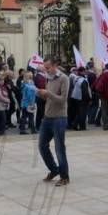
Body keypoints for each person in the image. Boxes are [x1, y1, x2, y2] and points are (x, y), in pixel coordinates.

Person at [37, 56, 70, 187]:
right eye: (45, 68)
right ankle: (54, 170)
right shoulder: (48, 78)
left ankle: (64, 176)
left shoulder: (64, 78)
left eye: (48, 67)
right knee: (42, 146)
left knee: (59, 148)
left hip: (59, 118)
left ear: (55, 65)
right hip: (47, 116)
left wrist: (48, 94)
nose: (46, 70)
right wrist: (41, 94)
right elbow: (50, 98)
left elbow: (63, 99)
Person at [71, 67, 91, 131]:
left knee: (79, 112)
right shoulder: (83, 80)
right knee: (83, 113)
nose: (85, 72)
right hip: (82, 98)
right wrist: (89, 99)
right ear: (82, 72)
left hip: (76, 97)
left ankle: (75, 124)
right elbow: (85, 91)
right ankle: (82, 126)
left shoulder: (76, 78)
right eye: (84, 71)